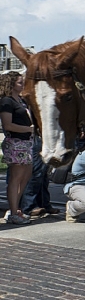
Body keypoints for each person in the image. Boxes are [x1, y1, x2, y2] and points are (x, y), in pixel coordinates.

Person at [1, 72, 34, 225]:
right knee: (16, 177)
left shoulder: (21, 100)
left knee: (26, 175)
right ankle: (13, 212)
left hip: (26, 142)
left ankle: (15, 208)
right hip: (15, 142)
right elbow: (8, 125)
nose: (22, 85)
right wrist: (29, 129)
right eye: (20, 82)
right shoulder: (7, 101)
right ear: (12, 84)